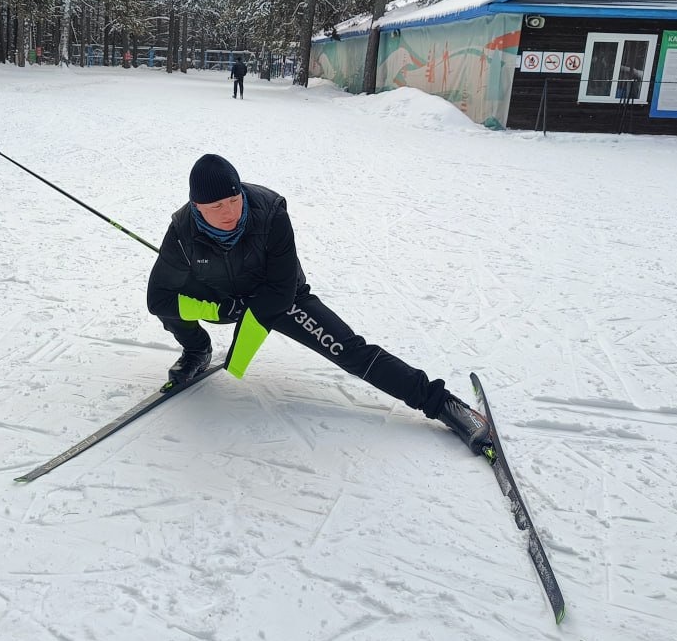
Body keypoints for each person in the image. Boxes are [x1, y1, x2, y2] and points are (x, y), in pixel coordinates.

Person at [146, 154, 491, 452]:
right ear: (196, 207)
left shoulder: (270, 212)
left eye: (234, 200)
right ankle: (196, 350)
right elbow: (156, 297)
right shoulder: (182, 230)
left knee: (351, 351)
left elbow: (280, 289)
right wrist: (216, 311)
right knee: (171, 306)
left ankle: (443, 403)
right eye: (216, 206)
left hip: (279, 297)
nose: (229, 212)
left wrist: (241, 347)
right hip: (222, 297)